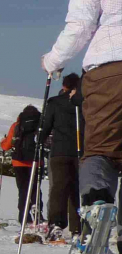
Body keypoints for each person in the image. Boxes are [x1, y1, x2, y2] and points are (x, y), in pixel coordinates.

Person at [41, 0, 122, 254]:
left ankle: (98, 211)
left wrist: (52, 60)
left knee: (100, 152)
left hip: (110, 68)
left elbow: (81, 24)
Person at [39, 73, 82, 235]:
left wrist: (39, 141)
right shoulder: (83, 103)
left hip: (59, 152)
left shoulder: (55, 103)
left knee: (59, 188)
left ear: (63, 86)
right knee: (76, 189)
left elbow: (46, 125)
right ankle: (77, 227)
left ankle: (56, 223)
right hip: (79, 150)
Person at [1, 105, 42, 224]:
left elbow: (7, 144)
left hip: (19, 162)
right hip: (36, 161)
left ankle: (23, 215)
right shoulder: (40, 125)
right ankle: (37, 214)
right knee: (35, 189)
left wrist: (2, 143)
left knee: (23, 189)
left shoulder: (16, 125)